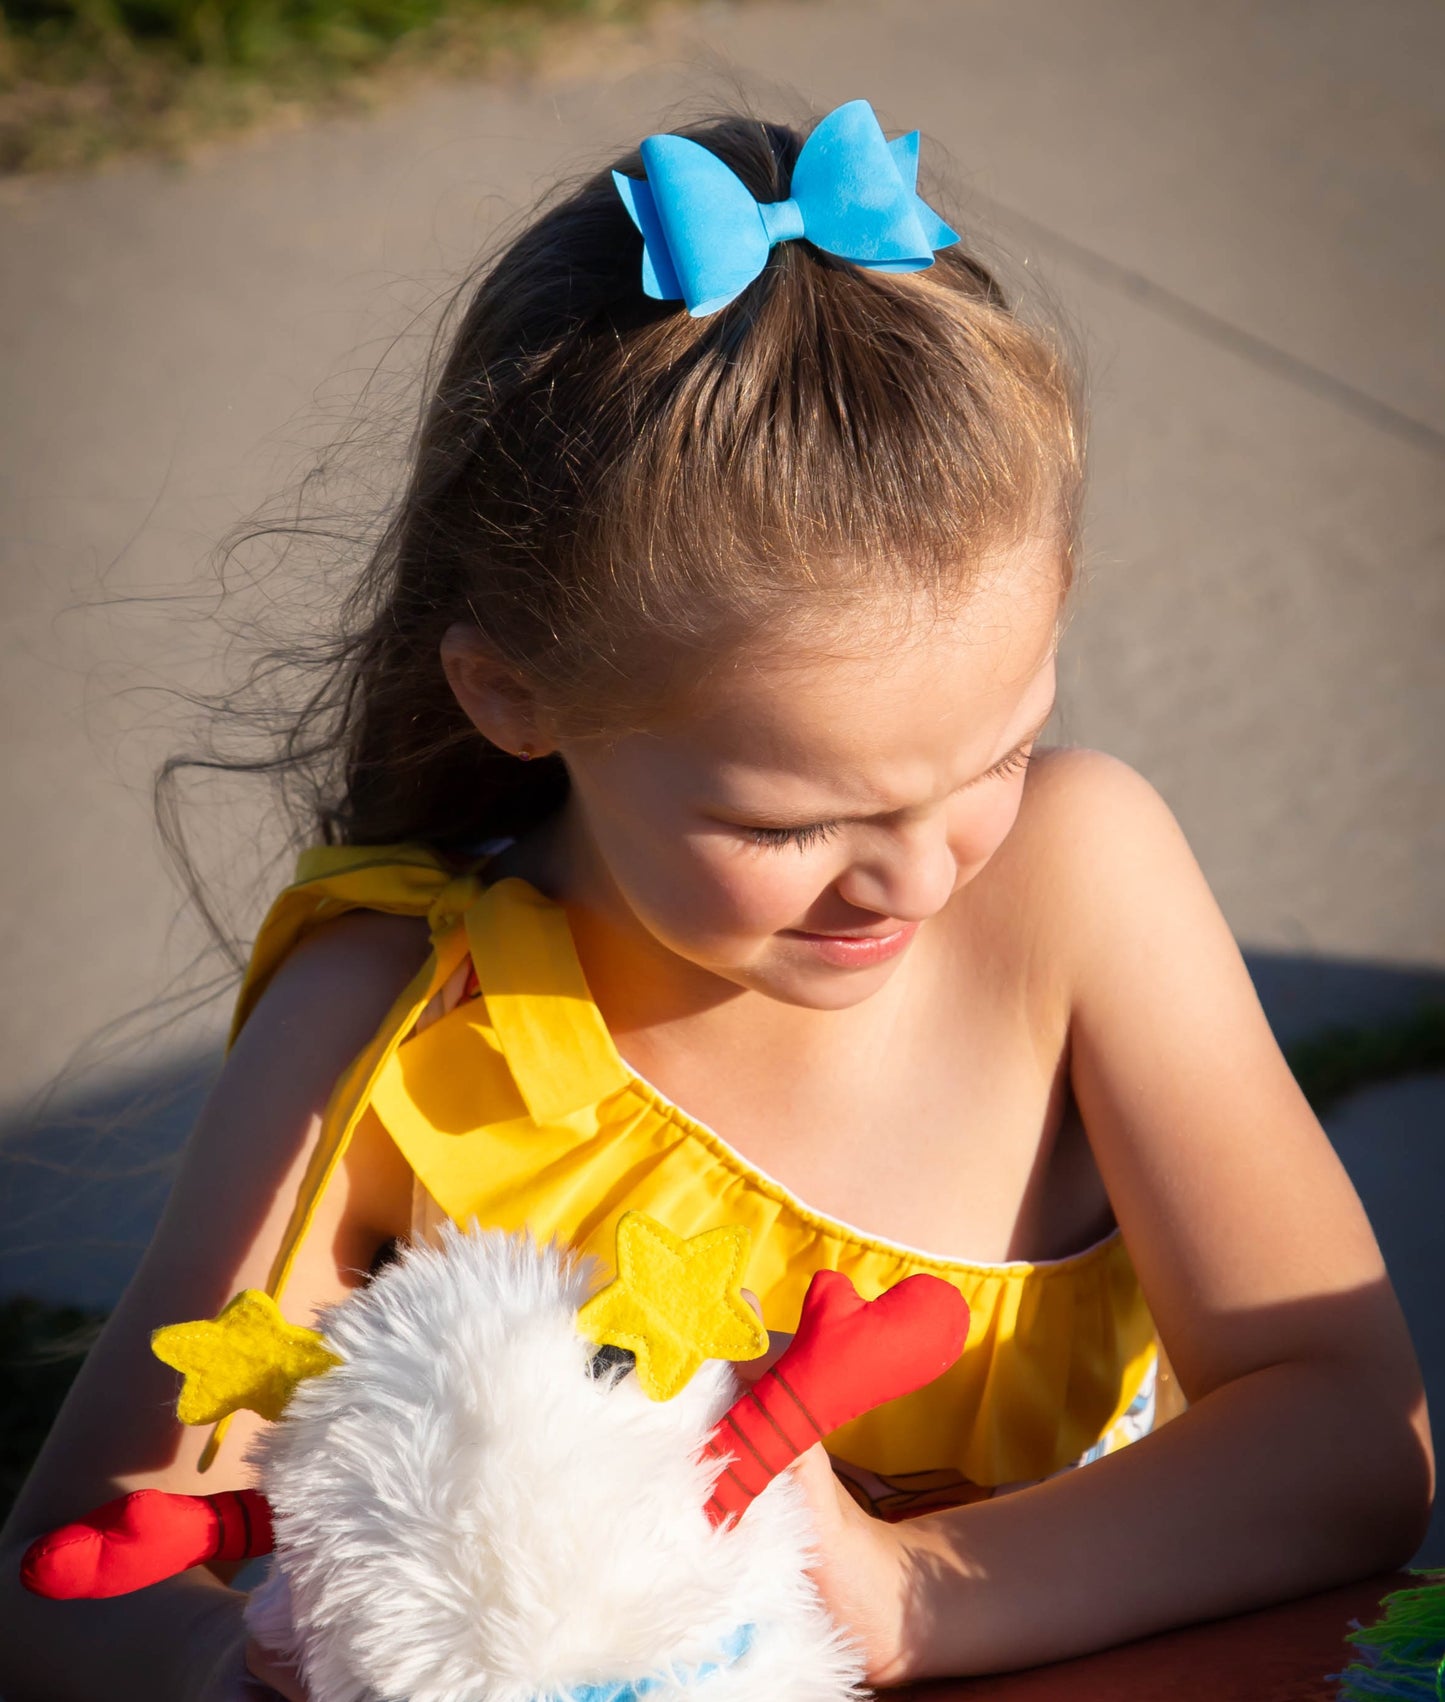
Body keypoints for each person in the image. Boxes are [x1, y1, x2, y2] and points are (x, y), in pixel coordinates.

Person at [0, 100, 1432, 1700]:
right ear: (514, 694)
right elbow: (66, 1580)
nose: (913, 871)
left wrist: (914, 1595)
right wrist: (249, 1666)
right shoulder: (397, 1026)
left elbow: (1346, 1432)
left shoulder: (1079, 883)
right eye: (793, 819)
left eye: (996, 752)